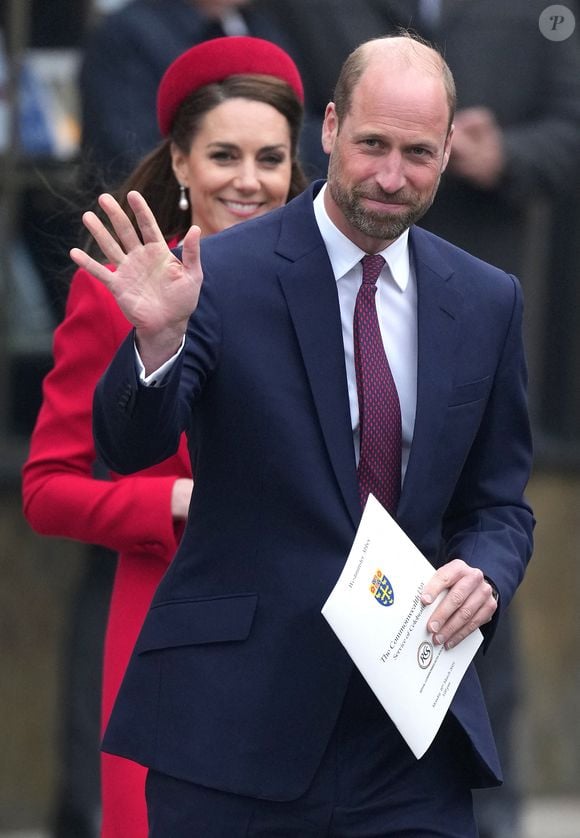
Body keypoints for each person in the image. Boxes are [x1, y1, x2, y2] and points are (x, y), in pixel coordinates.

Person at [73, 33, 534, 836]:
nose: (392, 177)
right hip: (231, 727)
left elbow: (499, 504)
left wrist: (485, 575)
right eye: (372, 145)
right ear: (327, 129)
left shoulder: (488, 300)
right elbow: (128, 447)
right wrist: (154, 344)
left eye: (418, 152)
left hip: (408, 734)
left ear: (451, 148)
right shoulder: (220, 272)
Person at [22, 35, 306, 838]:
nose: (248, 180)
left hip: (307, 641)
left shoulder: (333, 289)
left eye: (270, 158)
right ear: (180, 162)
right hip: (167, 635)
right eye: (223, 154)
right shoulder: (113, 293)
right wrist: (174, 501)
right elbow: (48, 489)